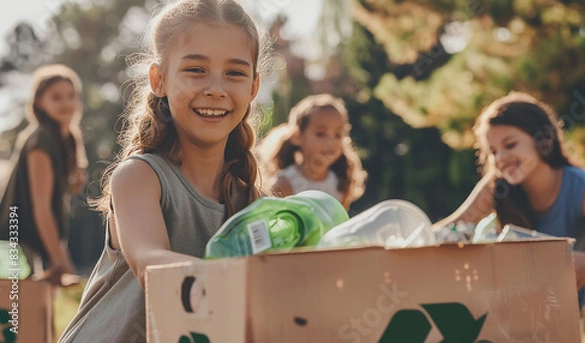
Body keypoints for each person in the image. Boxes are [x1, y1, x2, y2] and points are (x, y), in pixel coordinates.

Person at [59, 0, 269, 341]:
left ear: (253, 88)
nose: (216, 88)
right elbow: (150, 261)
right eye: (196, 70)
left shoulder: (250, 201)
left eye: (234, 73)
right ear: (159, 79)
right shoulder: (140, 177)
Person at [433, 91, 585, 310]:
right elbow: (451, 229)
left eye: (510, 145)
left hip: (561, 319)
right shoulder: (497, 187)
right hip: (512, 316)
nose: (500, 159)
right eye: (493, 151)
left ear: (544, 140)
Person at [0, 64, 88, 287]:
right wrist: (61, 263)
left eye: (71, 96)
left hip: (32, 245)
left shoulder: (66, 139)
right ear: (39, 102)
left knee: (36, 316)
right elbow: (41, 207)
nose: (66, 102)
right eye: (56, 97)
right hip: (16, 243)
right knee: (17, 317)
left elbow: (57, 195)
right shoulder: (41, 140)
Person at [256, 93, 366, 210]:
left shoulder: (340, 183)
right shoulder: (285, 183)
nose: (331, 142)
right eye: (321, 134)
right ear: (297, 136)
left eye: (337, 135)